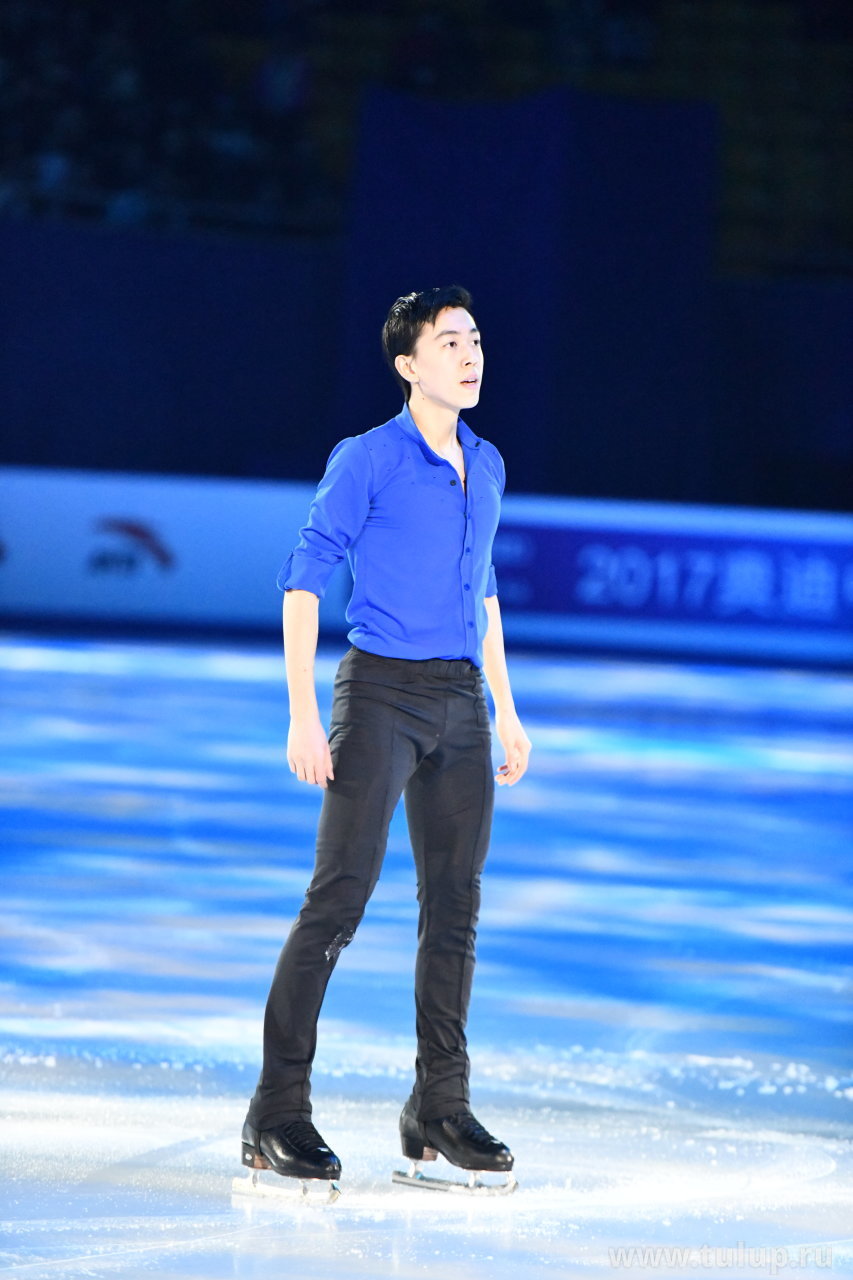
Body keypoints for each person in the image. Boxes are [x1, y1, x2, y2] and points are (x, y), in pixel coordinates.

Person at [240, 284, 532, 1190]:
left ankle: (437, 1106)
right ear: (408, 365)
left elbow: (483, 590)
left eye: (474, 339)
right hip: (378, 696)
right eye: (449, 342)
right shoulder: (366, 458)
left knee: (455, 908)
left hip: (461, 702)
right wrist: (301, 712)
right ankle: (275, 1111)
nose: (469, 354)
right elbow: (303, 578)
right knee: (338, 899)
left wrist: (507, 706)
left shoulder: (486, 464)